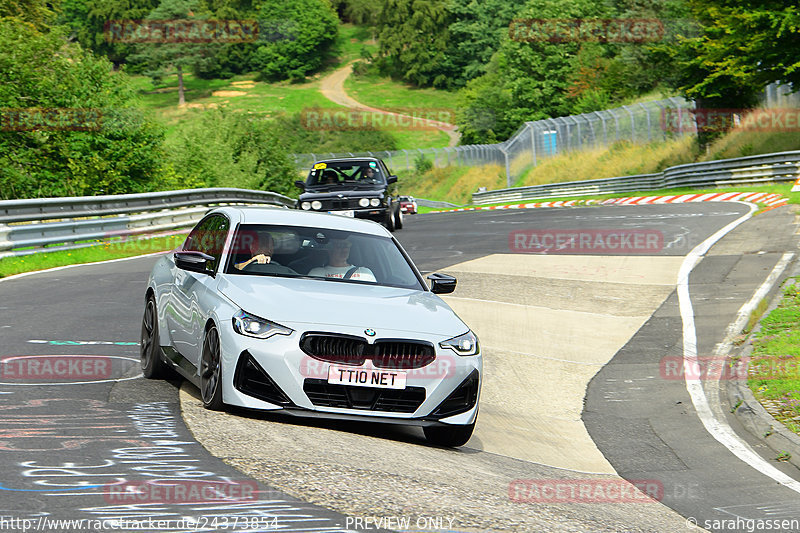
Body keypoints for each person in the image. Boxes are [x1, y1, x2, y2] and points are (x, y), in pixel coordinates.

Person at [308, 238, 376, 282]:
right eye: (340, 246)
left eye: (347, 246)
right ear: (330, 250)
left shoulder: (365, 272)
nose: (345, 250)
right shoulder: (316, 273)